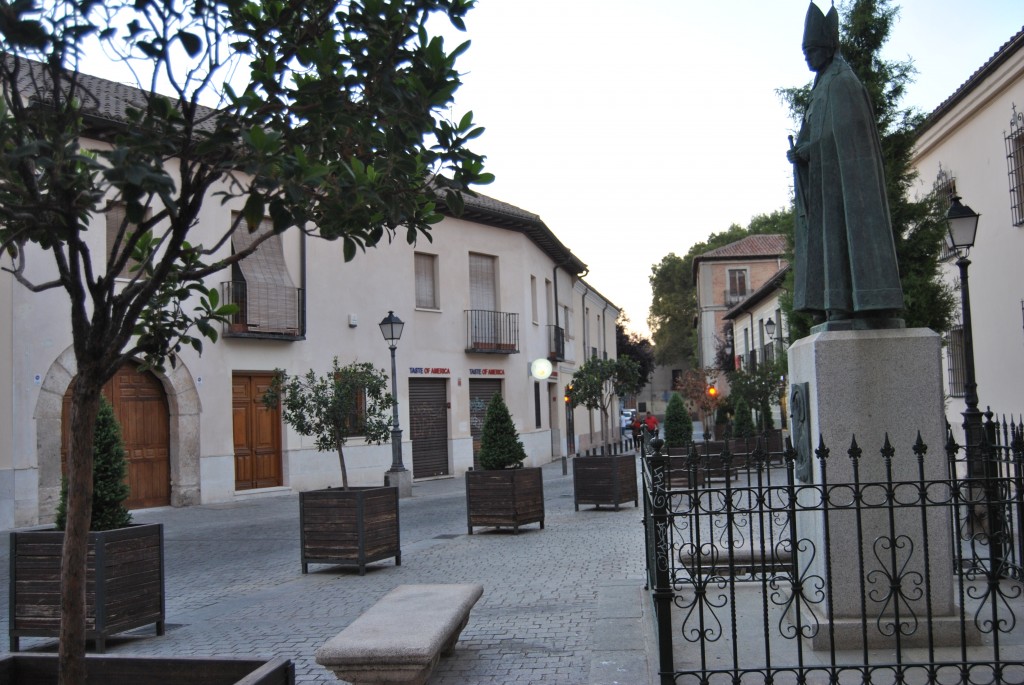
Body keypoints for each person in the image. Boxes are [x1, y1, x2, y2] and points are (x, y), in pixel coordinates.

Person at [786, 2, 904, 328]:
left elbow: (848, 134)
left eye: (811, 51)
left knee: (846, 235)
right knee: (830, 238)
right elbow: (816, 132)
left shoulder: (843, 82)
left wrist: (811, 149)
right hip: (827, 183)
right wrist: (801, 154)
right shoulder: (821, 85)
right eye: (805, 52)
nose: (807, 58)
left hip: (846, 185)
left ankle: (851, 303)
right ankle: (832, 302)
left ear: (828, 47)